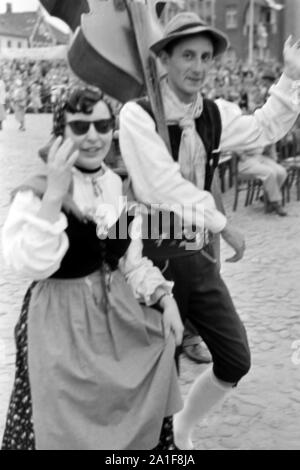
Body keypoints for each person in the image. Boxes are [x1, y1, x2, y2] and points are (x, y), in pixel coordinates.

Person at [119, 12, 300, 449]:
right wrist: (225, 225)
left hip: (197, 259)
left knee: (234, 358)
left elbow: (263, 127)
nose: (198, 66)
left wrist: (291, 78)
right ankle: (148, 448)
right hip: (146, 258)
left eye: (205, 56)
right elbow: (160, 187)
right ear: (163, 58)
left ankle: (183, 426)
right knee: (149, 373)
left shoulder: (215, 114)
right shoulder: (137, 114)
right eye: (186, 55)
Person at [1, 85, 183, 451]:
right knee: (65, 420)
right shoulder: (35, 191)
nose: (93, 136)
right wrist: (55, 192)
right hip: (59, 321)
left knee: (143, 376)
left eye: (102, 125)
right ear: (61, 134)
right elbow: (28, 262)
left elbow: (128, 261)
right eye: (80, 127)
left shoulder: (115, 183)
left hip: (114, 314)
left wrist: (165, 298)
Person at [238, 144, 288, 216]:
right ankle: (276, 203)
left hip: (260, 157)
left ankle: (266, 197)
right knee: (270, 173)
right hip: (246, 159)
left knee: (281, 172)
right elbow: (232, 142)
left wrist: (272, 156)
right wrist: (241, 155)